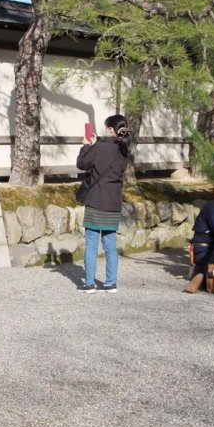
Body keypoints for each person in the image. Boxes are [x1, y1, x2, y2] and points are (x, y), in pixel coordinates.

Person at [76, 115, 130, 293]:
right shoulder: (124, 150)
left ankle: (89, 283)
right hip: (113, 202)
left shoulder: (99, 147)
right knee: (110, 244)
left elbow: (82, 163)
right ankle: (110, 283)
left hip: (96, 199)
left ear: (110, 129)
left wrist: (86, 146)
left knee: (92, 243)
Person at [183, 197, 214, 293]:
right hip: (204, 246)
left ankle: (202, 275)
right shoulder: (213, 207)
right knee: (212, 269)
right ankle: (201, 276)